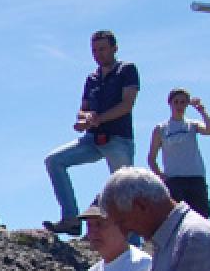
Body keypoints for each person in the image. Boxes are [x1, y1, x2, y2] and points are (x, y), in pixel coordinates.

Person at [44, 31, 139, 236]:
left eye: (102, 49)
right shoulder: (92, 78)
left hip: (118, 139)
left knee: (123, 188)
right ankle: (71, 218)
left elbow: (127, 105)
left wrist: (98, 119)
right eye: (94, 50)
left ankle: (133, 244)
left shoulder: (127, 70)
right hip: (92, 139)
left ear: (114, 48)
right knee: (54, 160)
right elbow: (83, 109)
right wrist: (84, 120)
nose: (98, 54)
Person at [146, 88, 210, 218]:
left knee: (201, 215)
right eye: (176, 102)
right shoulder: (161, 129)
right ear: (170, 103)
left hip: (195, 177)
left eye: (183, 102)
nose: (179, 105)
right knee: (177, 217)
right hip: (174, 180)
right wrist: (161, 175)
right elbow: (151, 158)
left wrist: (202, 110)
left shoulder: (192, 125)